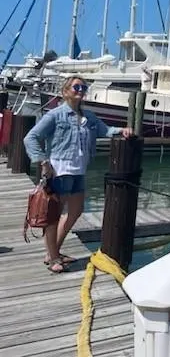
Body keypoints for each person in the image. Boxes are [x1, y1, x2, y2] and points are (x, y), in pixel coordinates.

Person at [24, 76, 132, 273]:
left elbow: (105, 130)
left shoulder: (89, 117)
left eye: (83, 87)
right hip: (59, 171)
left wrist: (122, 130)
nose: (80, 90)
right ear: (66, 91)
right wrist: (42, 160)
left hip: (79, 171)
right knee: (54, 216)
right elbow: (31, 137)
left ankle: (53, 250)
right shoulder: (55, 115)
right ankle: (53, 256)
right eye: (76, 87)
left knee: (75, 211)